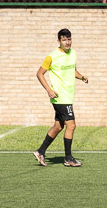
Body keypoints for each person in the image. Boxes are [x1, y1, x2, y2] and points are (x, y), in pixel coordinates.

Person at [33, 28, 88, 167]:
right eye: (64, 40)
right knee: (71, 125)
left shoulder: (73, 53)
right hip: (59, 96)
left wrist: (81, 77)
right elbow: (40, 73)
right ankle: (68, 158)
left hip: (68, 96)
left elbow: (72, 70)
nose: (67, 42)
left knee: (58, 126)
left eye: (69, 39)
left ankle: (40, 151)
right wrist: (49, 90)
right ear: (59, 41)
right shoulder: (52, 56)